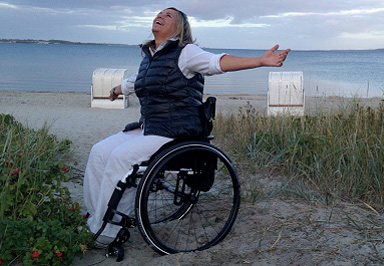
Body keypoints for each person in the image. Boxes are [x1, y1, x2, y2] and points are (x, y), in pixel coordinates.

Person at [83, 7, 290, 240]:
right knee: (99, 152)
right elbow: (135, 82)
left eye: (168, 16)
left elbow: (217, 62)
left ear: (180, 28)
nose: (160, 16)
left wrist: (259, 61)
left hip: (175, 130)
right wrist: (115, 90)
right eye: (159, 14)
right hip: (151, 127)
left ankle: (109, 230)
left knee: (120, 158)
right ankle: (95, 217)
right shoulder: (150, 56)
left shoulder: (187, 52)